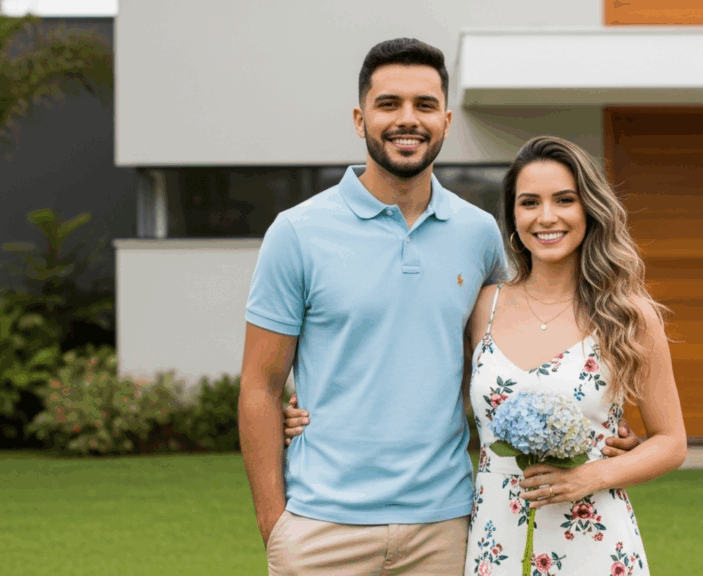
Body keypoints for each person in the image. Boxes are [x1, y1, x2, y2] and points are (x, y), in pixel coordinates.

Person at [239, 38, 639, 576]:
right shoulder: (296, 232)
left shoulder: (478, 235)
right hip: (321, 526)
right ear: (360, 118)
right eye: (389, 104)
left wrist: (598, 426)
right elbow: (259, 386)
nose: (408, 120)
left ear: (446, 121)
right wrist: (275, 522)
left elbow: (517, 353)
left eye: (425, 105)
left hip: (447, 528)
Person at [287, 135, 689, 575]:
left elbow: (671, 443)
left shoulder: (628, 315)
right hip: (498, 533)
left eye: (564, 200)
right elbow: (416, 377)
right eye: (530, 203)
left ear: (588, 209)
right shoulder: (484, 306)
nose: (547, 217)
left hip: (593, 538)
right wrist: (314, 408)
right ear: (513, 217)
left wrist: (590, 476)